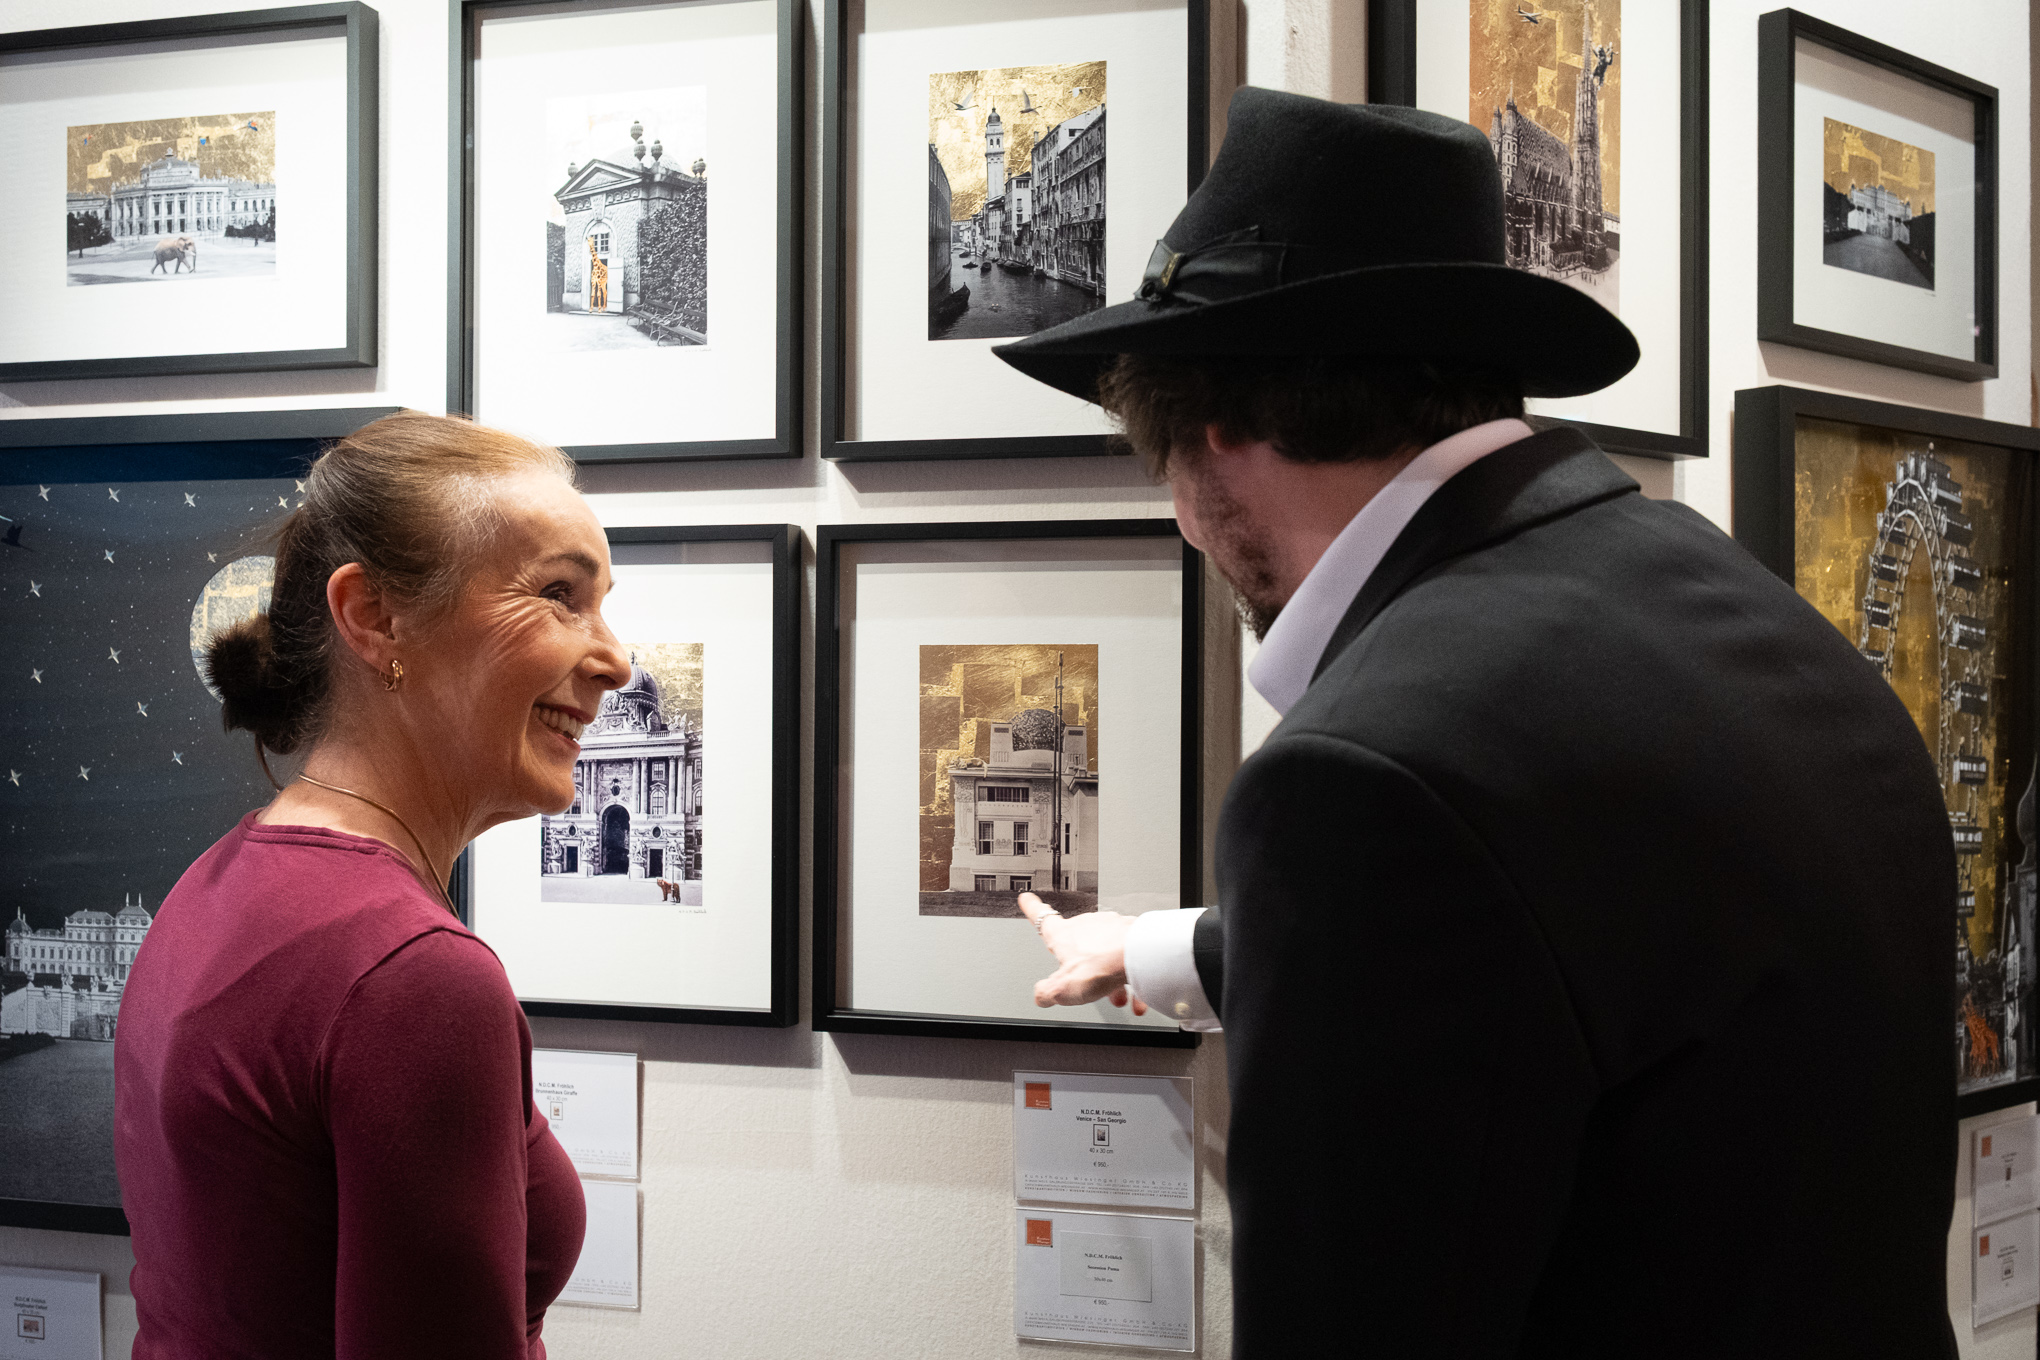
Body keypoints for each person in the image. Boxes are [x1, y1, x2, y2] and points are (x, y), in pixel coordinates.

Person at [999, 90, 1958, 1357]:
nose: (1183, 521)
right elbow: (1582, 938)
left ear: (1212, 429)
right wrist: (1172, 948)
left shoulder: (1366, 773)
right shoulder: (1733, 608)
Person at [115, 413, 633, 1357]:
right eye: (559, 595)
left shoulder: (217, 879)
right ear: (373, 616)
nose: (615, 660)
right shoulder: (412, 977)